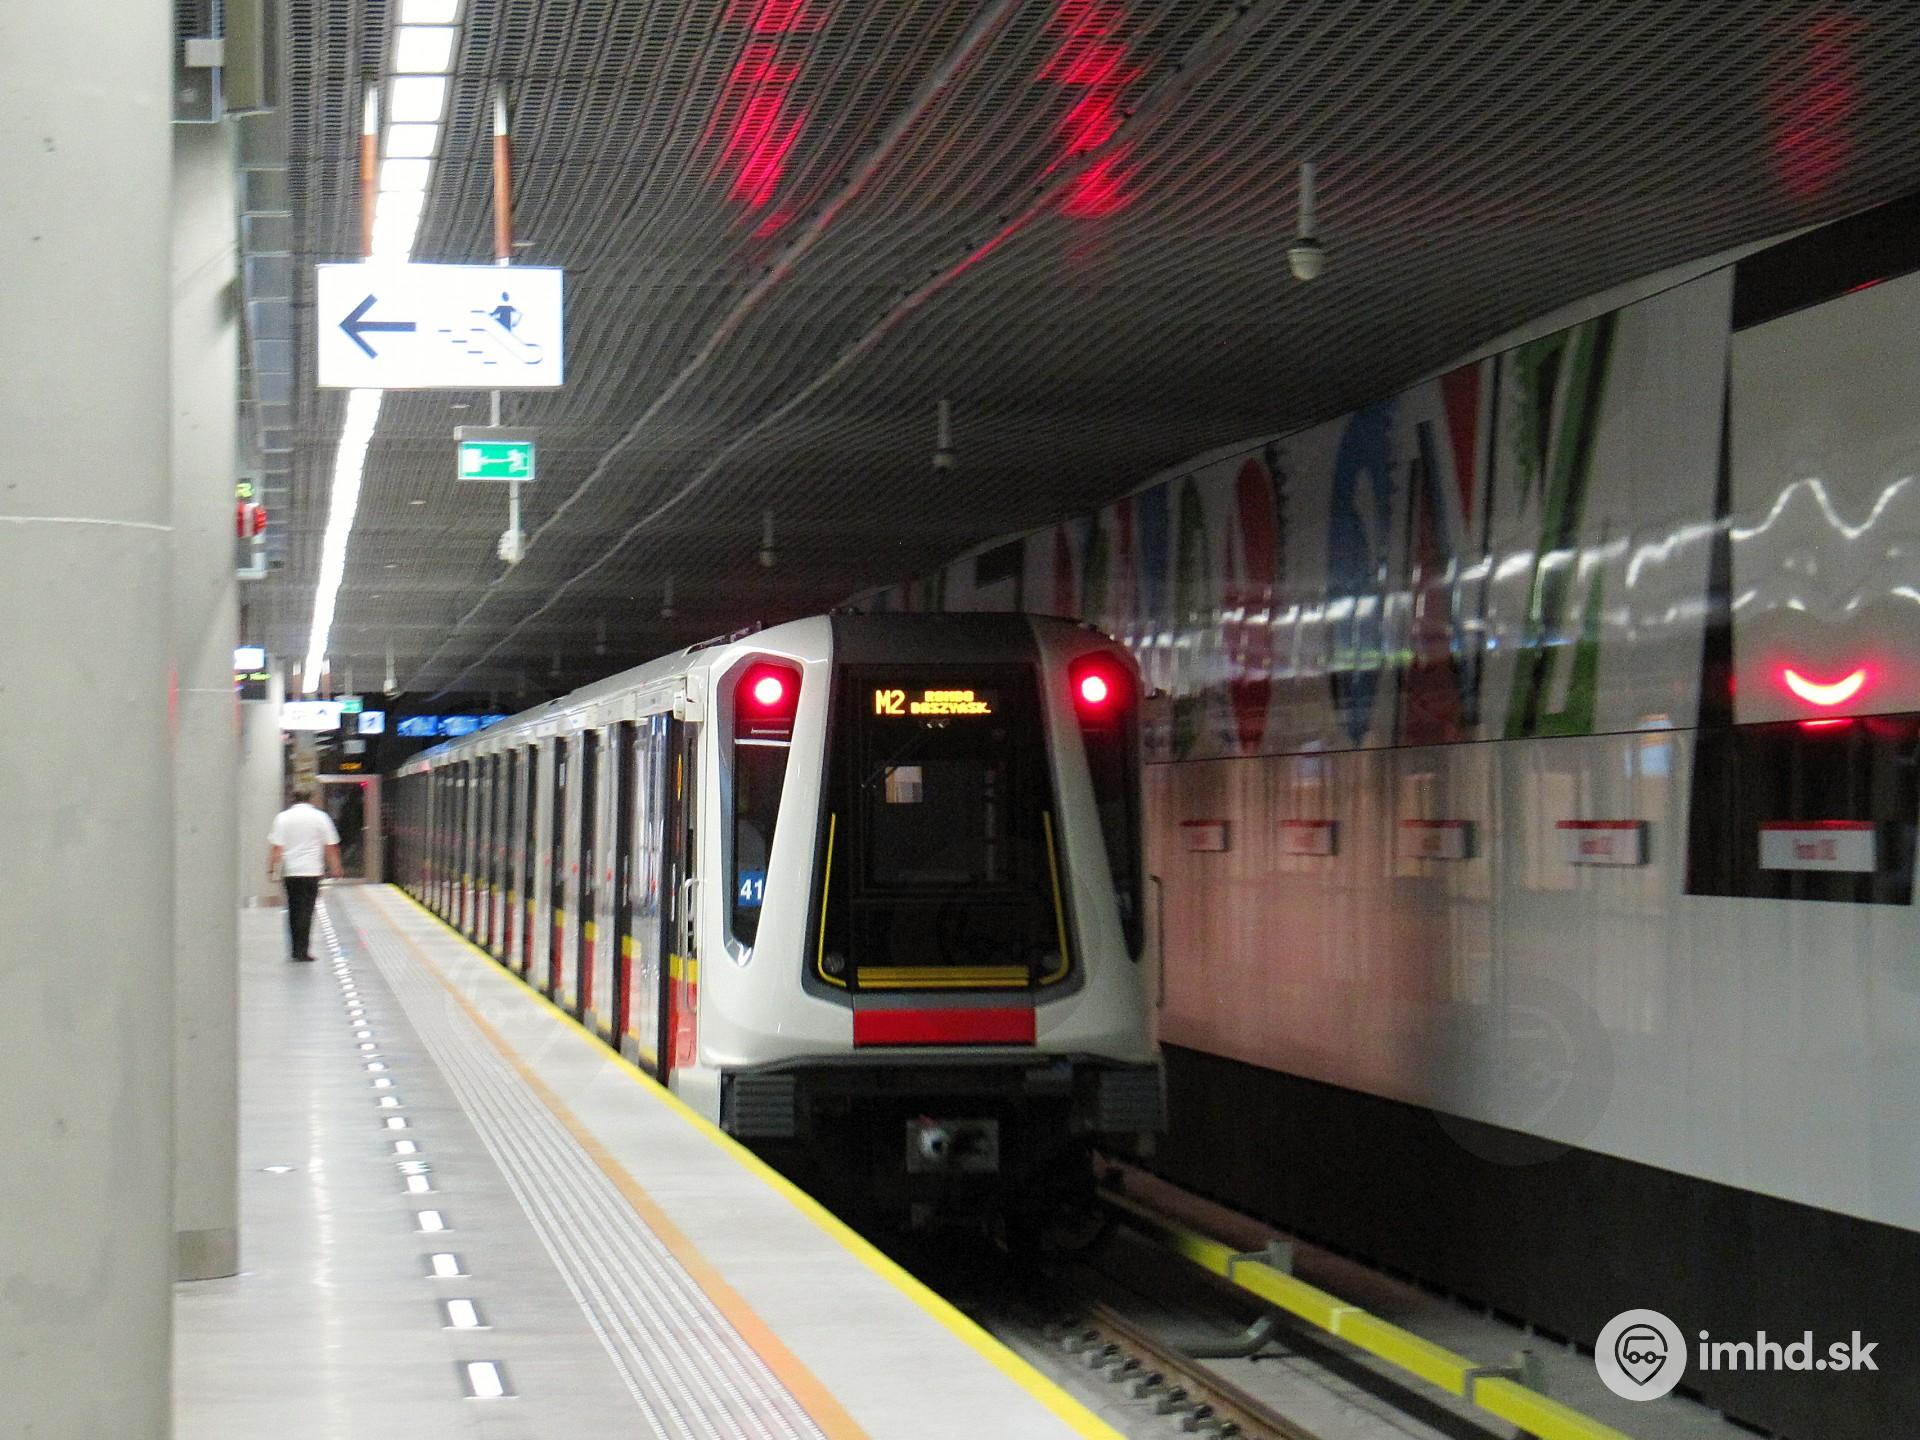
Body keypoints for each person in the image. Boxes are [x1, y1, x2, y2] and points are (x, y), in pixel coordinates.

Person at [268, 784, 344, 961]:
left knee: (293, 909)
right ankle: (303, 950)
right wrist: (336, 867)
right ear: (311, 799)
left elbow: (277, 848)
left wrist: (272, 868)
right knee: (307, 910)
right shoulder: (320, 817)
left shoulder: (282, 818)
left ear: (292, 799)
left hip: (291, 872)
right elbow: (330, 846)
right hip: (312, 871)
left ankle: (295, 949)